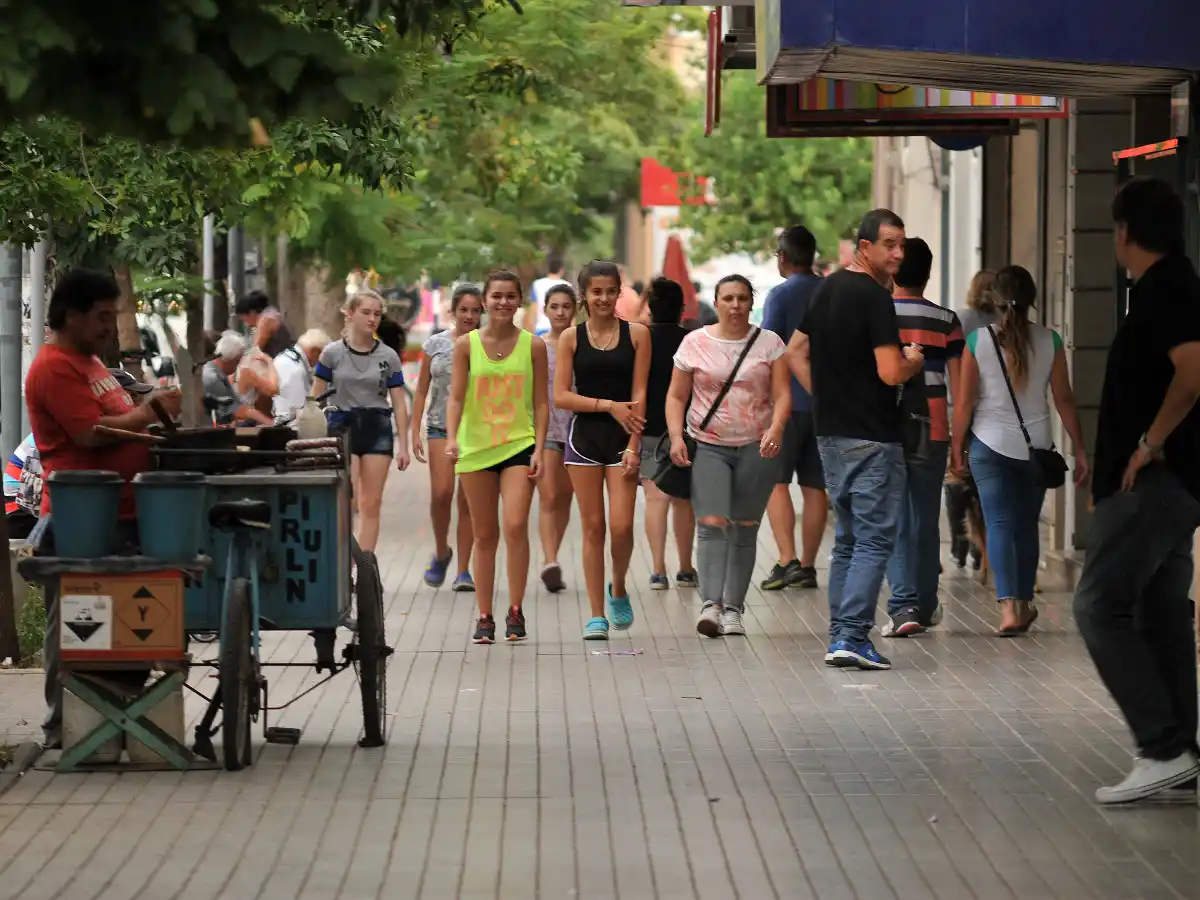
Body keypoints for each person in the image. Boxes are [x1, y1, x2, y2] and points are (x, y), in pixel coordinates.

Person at [1073, 177, 1200, 803]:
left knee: (1097, 607)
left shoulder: (1169, 289)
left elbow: (1194, 373)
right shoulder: (1167, 286)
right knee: (1161, 612)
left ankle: (1162, 745)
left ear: (1125, 232)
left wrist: (1148, 445)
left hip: (1156, 482)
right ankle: (1181, 755)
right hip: (1170, 482)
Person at [25, 269, 183, 748]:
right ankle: (64, 727)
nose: (109, 327)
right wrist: (151, 410)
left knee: (122, 627)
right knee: (79, 625)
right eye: (101, 317)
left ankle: (110, 721)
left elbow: (117, 419)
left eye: (113, 317)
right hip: (83, 519)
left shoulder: (91, 363)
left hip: (123, 510)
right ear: (69, 316)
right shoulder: (55, 367)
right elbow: (92, 434)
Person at [787, 209, 924, 671]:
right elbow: (889, 372)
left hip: (831, 434)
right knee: (872, 540)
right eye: (889, 244)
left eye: (901, 245)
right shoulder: (873, 297)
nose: (898, 253)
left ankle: (839, 635)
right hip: (873, 436)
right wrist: (912, 362)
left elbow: (794, 351)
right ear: (864, 247)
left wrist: (825, 396)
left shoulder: (827, 288)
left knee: (848, 539)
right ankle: (851, 635)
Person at [951, 265, 1088, 635]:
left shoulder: (978, 341)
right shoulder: (1050, 340)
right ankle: (1024, 605)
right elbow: (1064, 400)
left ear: (994, 301)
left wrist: (955, 445)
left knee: (998, 523)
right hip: (1036, 446)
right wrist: (1081, 450)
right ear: (1032, 301)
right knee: (1027, 526)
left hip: (988, 443)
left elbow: (964, 403)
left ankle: (1009, 608)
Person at [667, 276, 790, 637]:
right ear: (716, 303)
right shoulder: (695, 343)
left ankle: (734, 608)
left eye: (741, 298)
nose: (735, 305)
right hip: (708, 444)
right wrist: (676, 435)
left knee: (746, 526)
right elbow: (676, 396)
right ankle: (711, 605)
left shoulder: (770, 344)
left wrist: (777, 428)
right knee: (712, 523)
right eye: (728, 299)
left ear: (751, 303)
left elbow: (783, 394)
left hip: (756, 445)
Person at [445, 271, 549, 644]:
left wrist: (539, 447)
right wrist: (452, 438)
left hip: (519, 444)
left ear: (519, 301)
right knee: (484, 534)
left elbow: (540, 400)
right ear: (485, 302)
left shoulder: (533, 346)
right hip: (476, 448)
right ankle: (485, 615)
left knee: (516, 524)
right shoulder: (465, 346)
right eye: (497, 297)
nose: (503, 303)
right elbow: (455, 397)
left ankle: (516, 609)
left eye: (510, 297)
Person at [554, 260, 650, 640]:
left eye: (611, 290)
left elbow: (640, 391)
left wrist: (634, 444)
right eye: (597, 292)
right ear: (584, 296)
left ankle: (619, 586)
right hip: (585, 439)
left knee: (622, 526)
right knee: (593, 527)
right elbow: (562, 396)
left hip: (625, 439)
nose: (605, 298)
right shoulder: (570, 339)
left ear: (619, 292)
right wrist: (607, 405)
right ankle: (596, 614)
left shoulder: (638, 335)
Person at [881, 238, 964, 637]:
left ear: (893, 269)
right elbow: (961, 389)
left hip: (886, 427)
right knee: (926, 519)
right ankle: (926, 604)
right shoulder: (947, 321)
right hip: (933, 428)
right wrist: (960, 441)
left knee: (895, 517)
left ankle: (902, 606)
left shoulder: (878, 317)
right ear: (929, 273)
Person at [311, 289, 411, 552]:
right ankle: (342, 560)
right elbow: (315, 398)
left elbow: (399, 402)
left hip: (377, 425)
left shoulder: (388, 356)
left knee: (372, 503)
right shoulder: (331, 353)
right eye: (366, 312)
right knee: (347, 499)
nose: (372, 319)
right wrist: (312, 437)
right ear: (350, 313)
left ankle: (365, 566)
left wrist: (404, 446)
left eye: (377, 314)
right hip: (341, 424)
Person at [5, 370, 153, 540]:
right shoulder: (67, 430)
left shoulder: (100, 428)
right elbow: (31, 502)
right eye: (132, 397)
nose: (136, 404)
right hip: (20, 515)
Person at [760, 225, 826, 591]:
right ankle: (811, 565)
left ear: (783, 258)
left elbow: (768, 348)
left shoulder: (780, 296)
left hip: (787, 402)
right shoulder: (830, 291)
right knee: (816, 486)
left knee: (777, 480)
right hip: (826, 402)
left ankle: (788, 560)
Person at [412, 284, 482, 591]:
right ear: (453, 311)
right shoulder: (435, 344)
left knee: (467, 501)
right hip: (440, 426)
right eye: (464, 310)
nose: (469, 315)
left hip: (476, 430)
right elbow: (422, 390)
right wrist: (414, 430)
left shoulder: (488, 344)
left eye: (475, 310)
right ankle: (442, 551)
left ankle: (464, 570)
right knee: (441, 493)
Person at [639, 278, 697, 590]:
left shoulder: (640, 339)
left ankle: (658, 570)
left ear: (650, 306)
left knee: (654, 498)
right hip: (685, 431)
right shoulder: (692, 340)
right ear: (682, 309)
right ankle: (686, 567)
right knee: (683, 499)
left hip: (647, 429)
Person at [945, 268, 998, 569]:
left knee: (956, 475)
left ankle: (958, 544)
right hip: (993, 410)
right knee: (984, 480)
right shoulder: (1005, 323)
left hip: (962, 407)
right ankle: (982, 547)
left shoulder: (962, 320)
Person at [537, 283, 580, 593]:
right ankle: (549, 559)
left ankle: (554, 553)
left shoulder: (584, 344)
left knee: (565, 496)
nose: (561, 312)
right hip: (546, 429)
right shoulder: (536, 346)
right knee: (549, 495)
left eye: (566, 306)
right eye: (555, 306)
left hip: (578, 431)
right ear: (546, 310)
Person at [202, 332, 273, 426]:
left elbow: (238, 404)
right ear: (233, 359)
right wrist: (270, 424)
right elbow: (238, 411)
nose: (238, 365)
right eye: (237, 361)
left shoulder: (219, 373)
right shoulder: (212, 377)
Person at [272, 329, 331, 421]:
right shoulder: (295, 369)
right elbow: (298, 410)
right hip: (289, 426)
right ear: (315, 352)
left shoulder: (284, 357)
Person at [235, 289, 296, 358]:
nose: (247, 324)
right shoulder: (271, 313)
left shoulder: (266, 319)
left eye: (245, 320)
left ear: (252, 313)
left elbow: (254, 351)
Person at [528, 254, 570, 335]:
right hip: (561, 331)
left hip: (541, 328)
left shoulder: (537, 284)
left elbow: (533, 310)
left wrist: (531, 333)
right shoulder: (567, 285)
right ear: (561, 270)